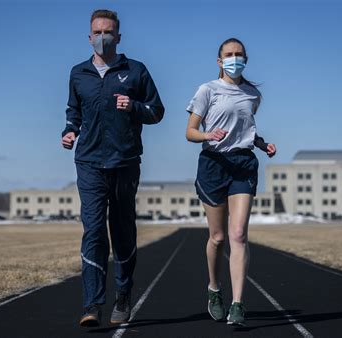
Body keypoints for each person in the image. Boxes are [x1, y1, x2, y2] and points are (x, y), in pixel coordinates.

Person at [61, 9, 164, 327]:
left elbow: (157, 111)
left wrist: (133, 106)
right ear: (89, 37)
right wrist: (69, 131)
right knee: (93, 230)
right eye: (97, 32)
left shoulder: (135, 70)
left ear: (118, 37)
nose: (102, 37)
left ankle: (123, 294)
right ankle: (91, 304)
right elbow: (73, 110)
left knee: (122, 229)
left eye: (108, 32)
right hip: (89, 163)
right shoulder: (78, 73)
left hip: (125, 162)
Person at [185, 37, 276, 326]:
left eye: (238, 54)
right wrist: (208, 136)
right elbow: (190, 131)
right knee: (219, 237)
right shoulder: (207, 90)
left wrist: (262, 144)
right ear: (219, 60)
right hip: (214, 163)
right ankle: (214, 289)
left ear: (245, 58)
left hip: (243, 164)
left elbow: (246, 129)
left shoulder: (252, 95)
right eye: (228, 54)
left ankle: (237, 304)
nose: (234, 58)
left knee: (238, 235)